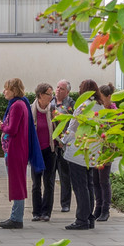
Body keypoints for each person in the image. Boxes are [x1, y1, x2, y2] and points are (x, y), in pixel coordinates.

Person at [0, 77, 44, 229]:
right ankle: (15, 216)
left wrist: (1, 127)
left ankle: (17, 218)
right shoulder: (20, 103)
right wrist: (2, 124)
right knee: (17, 182)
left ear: (14, 90)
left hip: (15, 150)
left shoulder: (17, 105)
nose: (4, 91)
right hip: (16, 149)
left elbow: (12, 129)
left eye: (6, 88)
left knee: (17, 183)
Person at [62, 78, 99, 230]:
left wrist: (63, 140)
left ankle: (81, 219)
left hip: (78, 151)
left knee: (79, 186)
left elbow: (72, 127)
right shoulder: (100, 105)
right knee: (89, 185)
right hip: (94, 151)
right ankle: (89, 217)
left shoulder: (83, 106)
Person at [30, 82, 57, 222]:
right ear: (40, 95)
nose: (52, 97)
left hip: (49, 150)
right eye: (49, 94)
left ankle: (46, 212)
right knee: (36, 183)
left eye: (52, 94)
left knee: (49, 182)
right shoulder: (31, 110)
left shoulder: (53, 110)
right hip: (36, 151)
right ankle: (36, 211)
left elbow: (59, 129)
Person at [92, 83, 118, 222]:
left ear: (109, 97)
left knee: (104, 179)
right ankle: (98, 207)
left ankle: (105, 210)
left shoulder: (114, 112)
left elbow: (115, 132)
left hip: (107, 148)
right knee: (95, 179)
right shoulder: (99, 109)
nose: (100, 101)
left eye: (102, 98)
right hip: (96, 147)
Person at [52, 79, 74, 212]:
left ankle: (65, 204)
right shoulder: (50, 102)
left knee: (65, 177)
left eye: (61, 88)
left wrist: (64, 140)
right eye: (57, 87)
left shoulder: (71, 104)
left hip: (64, 146)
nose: (58, 90)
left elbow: (72, 124)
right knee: (48, 176)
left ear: (67, 92)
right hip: (51, 145)